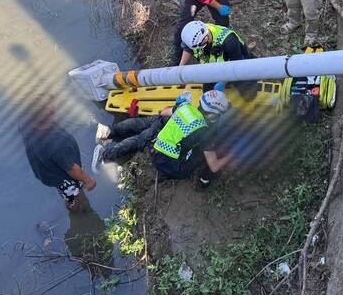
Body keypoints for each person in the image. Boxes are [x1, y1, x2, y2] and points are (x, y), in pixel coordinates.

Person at [93, 90, 232, 189]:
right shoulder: (206, 132)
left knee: (143, 126)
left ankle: (109, 131)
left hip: (157, 145)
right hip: (169, 166)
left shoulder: (185, 107)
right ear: (213, 115)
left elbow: (164, 113)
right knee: (139, 140)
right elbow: (214, 166)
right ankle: (105, 155)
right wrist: (231, 156)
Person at [20, 101, 96, 211]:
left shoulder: (26, 125)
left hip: (47, 170)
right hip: (64, 178)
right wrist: (88, 180)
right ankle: (74, 209)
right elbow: (72, 169)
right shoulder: (56, 146)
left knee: (69, 190)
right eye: (50, 112)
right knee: (73, 197)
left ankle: (72, 197)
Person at [178, 20, 257, 99]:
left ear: (206, 38)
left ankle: (251, 60)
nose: (197, 49)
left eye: (200, 46)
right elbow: (188, 49)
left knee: (249, 95)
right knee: (208, 94)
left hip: (234, 63)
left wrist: (222, 82)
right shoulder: (197, 34)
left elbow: (236, 66)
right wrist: (180, 68)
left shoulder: (229, 41)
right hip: (214, 68)